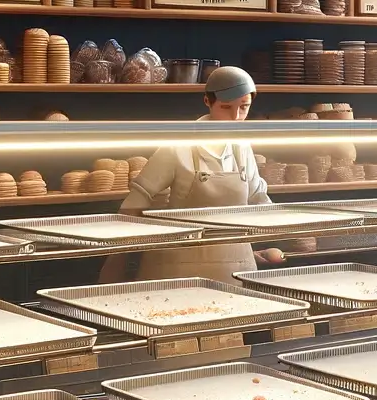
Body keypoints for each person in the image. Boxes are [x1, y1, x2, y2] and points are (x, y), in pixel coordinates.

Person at [116, 66, 273, 282]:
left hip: (234, 266)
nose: (236, 117)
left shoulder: (242, 147)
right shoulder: (178, 146)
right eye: (226, 107)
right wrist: (117, 259)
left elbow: (258, 198)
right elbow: (137, 199)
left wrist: (282, 232)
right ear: (207, 102)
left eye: (244, 107)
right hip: (180, 267)